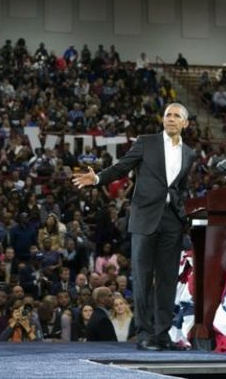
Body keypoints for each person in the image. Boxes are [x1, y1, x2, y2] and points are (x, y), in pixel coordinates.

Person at [73, 102, 196, 351]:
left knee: (167, 279)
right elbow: (122, 167)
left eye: (176, 116)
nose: (170, 119)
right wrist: (97, 178)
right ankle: (144, 333)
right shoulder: (146, 142)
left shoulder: (189, 153)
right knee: (142, 278)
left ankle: (162, 334)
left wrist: (183, 214)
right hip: (144, 218)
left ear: (185, 123)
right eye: (167, 115)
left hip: (171, 221)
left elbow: (181, 188)